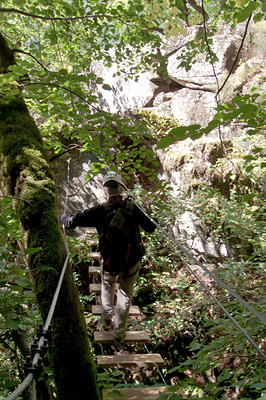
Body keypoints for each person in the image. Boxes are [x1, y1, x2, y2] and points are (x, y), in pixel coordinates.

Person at [59, 170, 156, 341]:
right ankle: (119, 332)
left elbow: (71, 222)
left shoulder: (100, 210)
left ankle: (106, 318)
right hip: (131, 261)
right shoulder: (132, 207)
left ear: (106, 191)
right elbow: (151, 227)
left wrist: (62, 217)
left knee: (108, 284)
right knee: (126, 295)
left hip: (110, 262)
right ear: (121, 189)